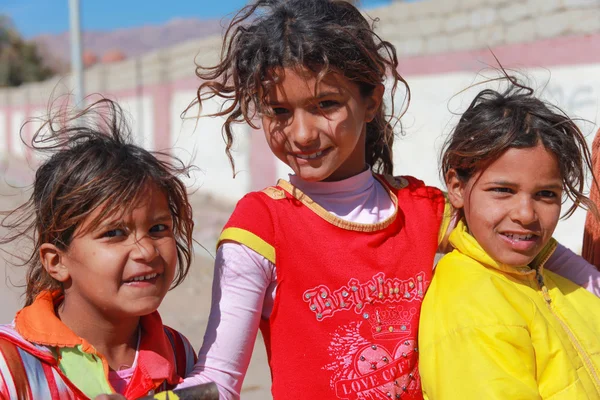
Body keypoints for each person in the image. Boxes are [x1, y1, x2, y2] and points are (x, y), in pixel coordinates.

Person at [181, 1, 600, 398]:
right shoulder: (261, 223)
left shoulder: (423, 207)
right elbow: (220, 376)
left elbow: (549, 256)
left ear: (370, 102)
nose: (302, 133)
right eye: (279, 112)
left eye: (325, 104)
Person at [0, 98, 197, 399]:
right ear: (56, 261)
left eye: (158, 228)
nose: (146, 251)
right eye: (114, 233)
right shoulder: (11, 366)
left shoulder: (178, 355)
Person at [419, 79, 600, 399]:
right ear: (457, 188)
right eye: (503, 190)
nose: (526, 214)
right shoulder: (471, 300)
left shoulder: (560, 285)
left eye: (546, 194)